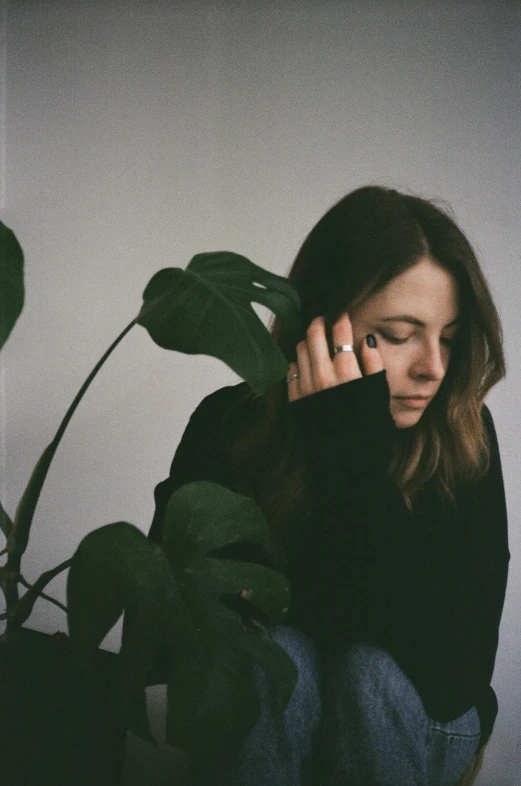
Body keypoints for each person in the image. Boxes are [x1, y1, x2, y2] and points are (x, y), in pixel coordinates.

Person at [149, 186, 510, 785]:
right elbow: (183, 636)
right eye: (399, 334)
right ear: (317, 329)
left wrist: (355, 458)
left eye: (447, 336)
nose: (434, 368)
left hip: (422, 714)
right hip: (284, 709)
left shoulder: (465, 434)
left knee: (370, 675)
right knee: (276, 660)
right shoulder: (228, 423)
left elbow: (451, 675)